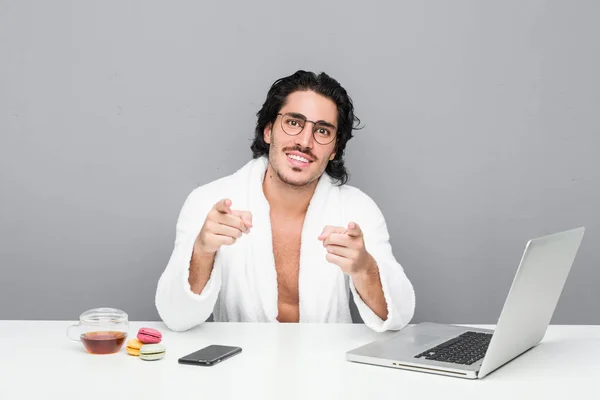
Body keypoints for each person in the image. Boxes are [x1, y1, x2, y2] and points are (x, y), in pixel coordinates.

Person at [155, 70, 415, 332]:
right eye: (293, 123)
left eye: (322, 131)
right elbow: (176, 317)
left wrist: (364, 268)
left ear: (334, 149)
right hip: (237, 365)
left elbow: (399, 316)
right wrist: (202, 249)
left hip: (328, 365)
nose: (304, 142)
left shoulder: (356, 209)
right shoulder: (208, 202)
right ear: (268, 131)